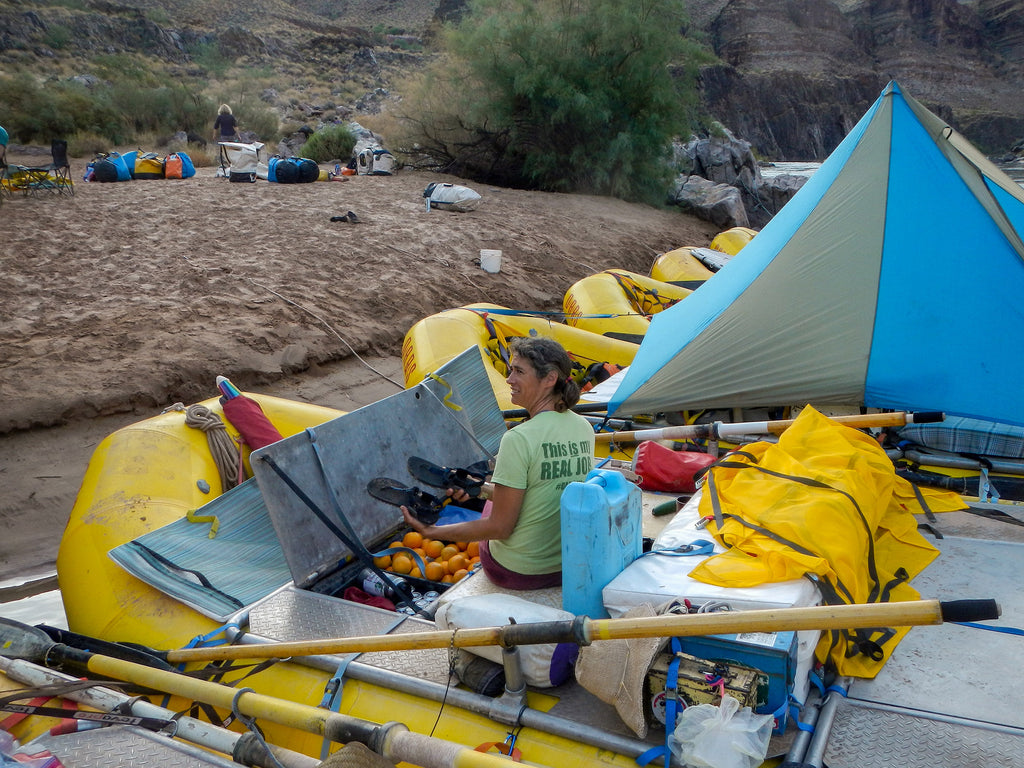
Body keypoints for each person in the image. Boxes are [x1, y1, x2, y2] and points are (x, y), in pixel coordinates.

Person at [402, 337, 596, 589]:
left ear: (549, 379)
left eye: (518, 371)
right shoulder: (583, 427)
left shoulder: (518, 439)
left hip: (519, 572)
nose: (508, 379)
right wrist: (481, 488)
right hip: (564, 565)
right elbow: (545, 492)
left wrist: (432, 533)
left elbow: (500, 528)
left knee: (490, 510)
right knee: (498, 495)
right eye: (510, 370)